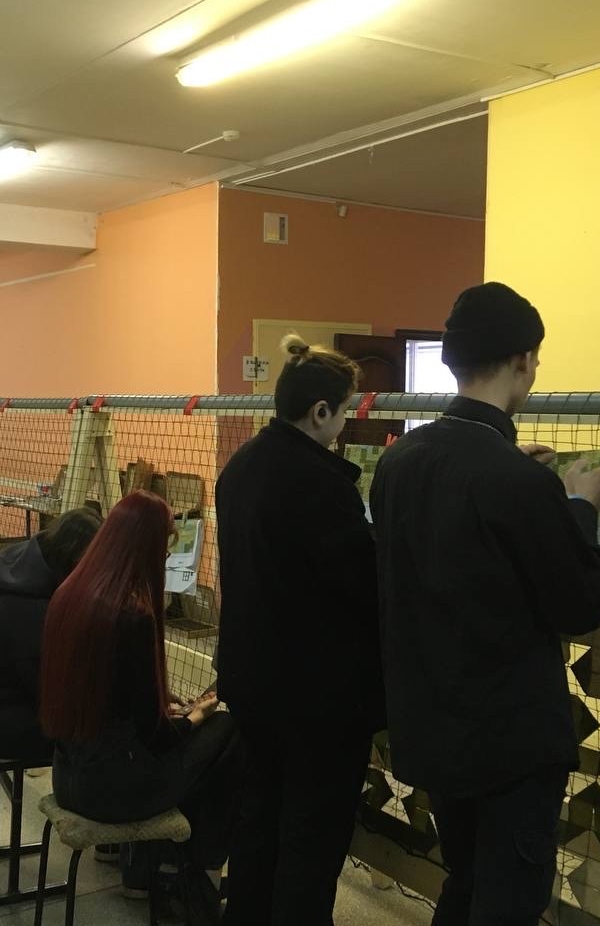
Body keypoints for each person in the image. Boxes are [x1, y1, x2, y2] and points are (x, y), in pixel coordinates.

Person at [370, 282, 600, 925]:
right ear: (525, 360)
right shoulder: (519, 481)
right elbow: (580, 605)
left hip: (431, 725)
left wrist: (520, 474)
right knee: (508, 900)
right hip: (509, 742)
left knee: (466, 879)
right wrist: (580, 507)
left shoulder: (400, 462)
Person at [215, 334, 382, 926]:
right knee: (311, 837)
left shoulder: (241, 467)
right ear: (320, 411)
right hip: (317, 699)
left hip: (252, 680)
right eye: (344, 413)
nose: (343, 425)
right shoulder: (320, 484)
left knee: (259, 820)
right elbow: (361, 583)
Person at [39, 491, 241, 910]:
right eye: (164, 544)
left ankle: (148, 869)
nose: (166, 554)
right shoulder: (133, 615)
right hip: (114, 793)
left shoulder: (69, 595)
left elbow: (107, 693)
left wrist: (162, 703)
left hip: (68, 778)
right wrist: (196, 716)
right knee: (228, 732)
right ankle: (195, 870)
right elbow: (156, 737)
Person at [0, 507, 103, 760]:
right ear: (74, 557)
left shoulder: (23, 575)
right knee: (97, 736)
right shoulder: (33, 606)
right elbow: (49, 691)